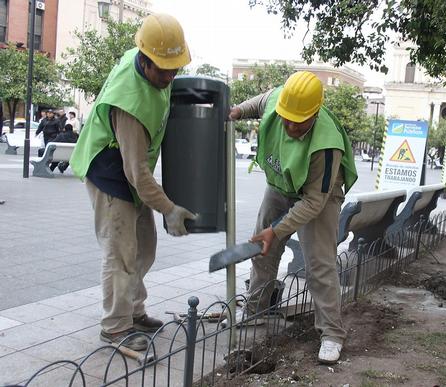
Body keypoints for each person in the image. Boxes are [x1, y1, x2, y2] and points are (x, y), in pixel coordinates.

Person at [69, 13, 197, 351]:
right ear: (145, 60)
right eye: (164, 69)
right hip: (110, 172)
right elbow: (136, 174)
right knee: (121, 253)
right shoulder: (130, 102)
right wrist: (169, 209)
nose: (170, 75)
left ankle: (134, 312)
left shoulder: (151, 61)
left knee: (145, 247)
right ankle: (114, 327)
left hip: (132, 168)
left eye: (176, 68)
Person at [228, 71, 358, 364]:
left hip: (318, 197)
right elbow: (259, 102)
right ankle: (255, 311)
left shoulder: (326, 145)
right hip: (281, 185)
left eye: (298, 122)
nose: (289, 125)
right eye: (286, 117)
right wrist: (238, 111)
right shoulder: (278, 101)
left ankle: (332, 334)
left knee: (319, 264)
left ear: (314, 114)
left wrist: (277, 229)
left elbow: (313, 202)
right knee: (262, 252)